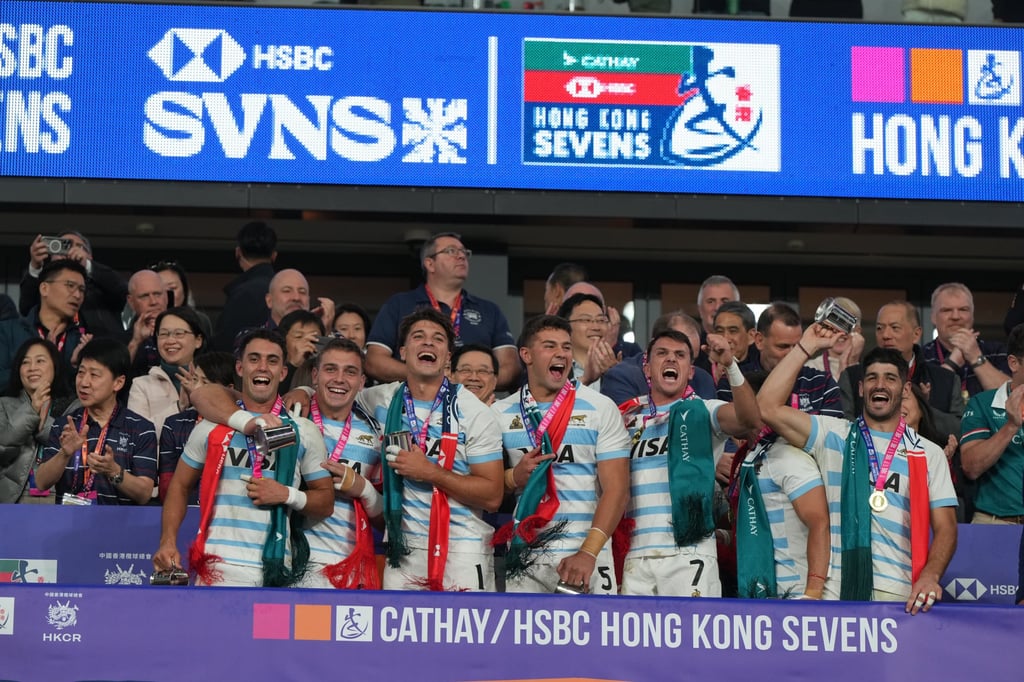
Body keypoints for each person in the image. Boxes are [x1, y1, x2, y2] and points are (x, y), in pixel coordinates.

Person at [758, 324, 958, 613]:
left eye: (890, 378)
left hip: (898, 594)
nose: (880, 384)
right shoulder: (832, 434)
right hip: (835, 592)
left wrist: (931, 574)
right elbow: (766, 407)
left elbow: (946, 528)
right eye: (872, 378)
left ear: (904, 390)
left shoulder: (928, 453)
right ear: (861, 388)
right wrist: (805, 347)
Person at [155, 329, 334, 587]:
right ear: (240, 368)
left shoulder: (303, 430)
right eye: (254, 359)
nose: (263, 367)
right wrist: (168, 540)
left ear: (283, 373)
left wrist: (286, 495)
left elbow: (326, 501)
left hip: (275, 572)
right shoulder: (212, 427)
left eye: (272, 361)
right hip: (216, 569)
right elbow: (180, 486)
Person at [358, 308, 504, 591]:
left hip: (463, 550)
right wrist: (304, 392)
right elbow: (333, 394)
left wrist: (431, 472)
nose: (428, 343)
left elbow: (492, 495)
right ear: (402, 351)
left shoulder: (474, 412)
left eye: (438, 339)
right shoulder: (379, 399)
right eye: (418, 337)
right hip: (403, 551)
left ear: (448, 357)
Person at [493, 315, 630, 595]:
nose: (561, 354)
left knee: (593, 640)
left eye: (566, 347)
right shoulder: (499, 414)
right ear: (526, 355)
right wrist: (512, 477)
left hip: (585, 552)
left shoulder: (600, 407)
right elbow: (487, 488)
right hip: (525, 553)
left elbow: (616, 491)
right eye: (549, 346)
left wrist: (588, 553)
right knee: (524, 640)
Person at [620, 329, 759, 598]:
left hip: (689, 551)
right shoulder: (625, 416)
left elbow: (749, 420)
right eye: (662, 353)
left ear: (691, 371)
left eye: (680, 355)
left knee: (690, 638)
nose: (671, 360)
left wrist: (730, 365)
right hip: (636, 552)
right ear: (647, 369)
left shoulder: (704, 411)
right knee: (635, 641)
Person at [365, 232, 517, 388]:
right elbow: (374, 361)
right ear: (430, 264)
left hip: (473, 404)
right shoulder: (399, 304)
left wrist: (468, 382)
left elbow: (510, 368)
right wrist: (428, 374)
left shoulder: (489, 310)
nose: (461, 256)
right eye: (451, 251)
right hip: (412, 403)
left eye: (464, 252)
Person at [300, 338, 384, 589]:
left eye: (350, 372)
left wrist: (364, 489)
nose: (339, 378)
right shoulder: (290, 418)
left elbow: (385, 520)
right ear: (315, 376)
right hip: (292, 566)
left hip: (349, 571)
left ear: (361, 382)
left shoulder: (375, 435)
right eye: (330, 369)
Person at [35, 338, 157, 506]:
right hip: (69, 525)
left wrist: (113, 471)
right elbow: (41, 483)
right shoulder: (66, 424)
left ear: (118, 382)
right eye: (81, 372)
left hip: (121, 527)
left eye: (94, 375)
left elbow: (144, 494)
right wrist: (64, 454)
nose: (84, 382)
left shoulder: (140, 428)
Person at [841, 300, 963, 418]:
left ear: (916, 334)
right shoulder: (853, 377)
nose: (885, 335)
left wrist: (923, 410)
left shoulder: (947, 380)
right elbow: (842, 426)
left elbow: (959, 428)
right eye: (879, 328)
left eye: (895, 328)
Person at [959, 324, 1024, 525]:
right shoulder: (983, 403)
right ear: (1013, 363)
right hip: (994, 522)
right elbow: (971, 466)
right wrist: (1011, 426)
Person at [0, 259, 90, 393]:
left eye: (81, 290)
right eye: (70, 285)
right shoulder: (7, 331)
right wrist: (38, 368)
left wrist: (73, 367)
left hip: (62, 413)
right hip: (13, 412)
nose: (77, 295)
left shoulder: (81, 341)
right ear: (44, 288)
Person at [157, 351, 236, 504]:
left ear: (229, 388)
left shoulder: (243, 426)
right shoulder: (175, 425)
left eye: (205, 383)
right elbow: (166, 488)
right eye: (194, 379)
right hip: (187, 511)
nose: (196, 387)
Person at [0, 339, 73, 503]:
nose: (32, 367)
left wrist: (41, 422)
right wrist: (31, 409)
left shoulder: (72, 406)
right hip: (12, 500)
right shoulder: (3, 405)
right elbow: (3, 448)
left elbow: (74, 447)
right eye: (25, 362)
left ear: (55, 366)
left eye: (40, 361)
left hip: (60, 498)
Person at [19, 231, 127, 338]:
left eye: (79, 247)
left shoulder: (103, 285)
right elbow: (26, 308)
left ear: (89, 256)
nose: (71, 252)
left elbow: (123, 291)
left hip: (104, 349)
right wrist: (35, 267)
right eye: (64, 246)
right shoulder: (47, 287)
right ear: (52, 256)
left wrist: (87, 265)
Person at [601, 311, 717, 406]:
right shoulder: (621, 377)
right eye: (665, 352)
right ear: (653, 345)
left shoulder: (703, 380)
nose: (673, 360)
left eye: (691, 358)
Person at [923, 282, 1009, 400]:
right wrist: (951, 363)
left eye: (963, 309)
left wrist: (975, 357)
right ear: (933, 317)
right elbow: (923, 402)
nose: (955, 316)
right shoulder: (921, 356)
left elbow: (1009, 396)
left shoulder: (997, 351)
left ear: (972, 316)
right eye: (947, 310)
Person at [212, 221, 277, 352]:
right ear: (274, 256)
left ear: (238, 252)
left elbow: (225, 343)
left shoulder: (242, 294)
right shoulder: (283, 290)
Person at [557, 293, 620, 390]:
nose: (596, 327)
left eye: (601, 320)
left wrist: (617, 375)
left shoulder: (618, 367)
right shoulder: (554, 367)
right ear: (566, 326)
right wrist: (586, 379)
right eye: (586, 320)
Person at [804, 296, 864, 383]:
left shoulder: (868, 369)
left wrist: (852, 363)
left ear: (858, 331)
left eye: (845, 324)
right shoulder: (811, 368)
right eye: (832, 326)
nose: (839, 332)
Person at [122, 269, 169, 376]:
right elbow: (115, 379)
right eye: (144, 296)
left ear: (166, 296)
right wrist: (135, 342)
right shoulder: (120, 341)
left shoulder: (186, 331)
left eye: (157, 294)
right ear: (131, 301)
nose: (153, 302)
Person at [265, 269, 334, 335]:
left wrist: (322, 333)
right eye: (287, 291)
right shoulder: (256, 339)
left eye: (302, 292)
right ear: (269, 300)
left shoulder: (334, 338)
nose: (296, 297)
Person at [712, 301, 759, 396]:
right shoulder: (701, 371)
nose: (725, 338)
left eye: (733, 331)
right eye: (719, 331)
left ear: (751, 336)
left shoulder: (759, 376)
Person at [277, 309, 325, 393]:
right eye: (299, 337)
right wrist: (294, 364)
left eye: (314, 338)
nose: (306, 343)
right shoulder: (273, 369)